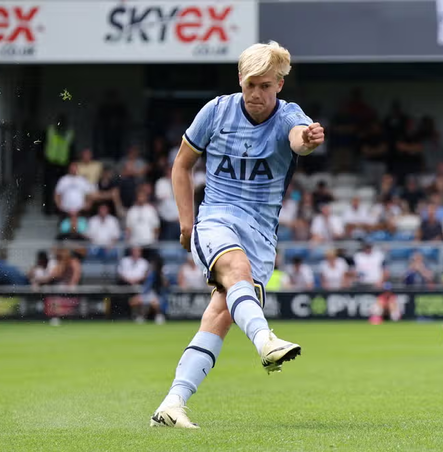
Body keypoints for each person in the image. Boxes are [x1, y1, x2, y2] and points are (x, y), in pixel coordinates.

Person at [150, 42, 325, 428]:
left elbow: (299, 138)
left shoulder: (288, 116)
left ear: (279, 84)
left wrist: (307, 141)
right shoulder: (216, 111)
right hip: (216, 220)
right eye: (250, 85)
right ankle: (265, 340)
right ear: (240, 82)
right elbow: (182, 166)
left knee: (220, 314)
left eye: (265, 85)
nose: (257, 94)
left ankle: (172, 403)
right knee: (234, 267)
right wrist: (186, 222)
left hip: (261, 234)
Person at [129, 256, 168, 324]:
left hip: (156, 295)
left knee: (155, 302)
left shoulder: (159, 274)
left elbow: (164, 285)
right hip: (146, 294)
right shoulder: (148, 274)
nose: (152, 266)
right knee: (133, 301)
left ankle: (159, 316)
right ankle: (140, 316)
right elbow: (145, 286)